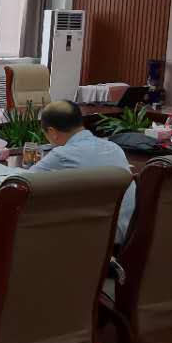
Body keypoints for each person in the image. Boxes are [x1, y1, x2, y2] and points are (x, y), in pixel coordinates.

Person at [28, 100, 136, 244]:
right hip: (130, 233)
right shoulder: (113, 147)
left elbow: (24, 183)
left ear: (52, 132)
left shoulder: (62, 155)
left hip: (99, 239)